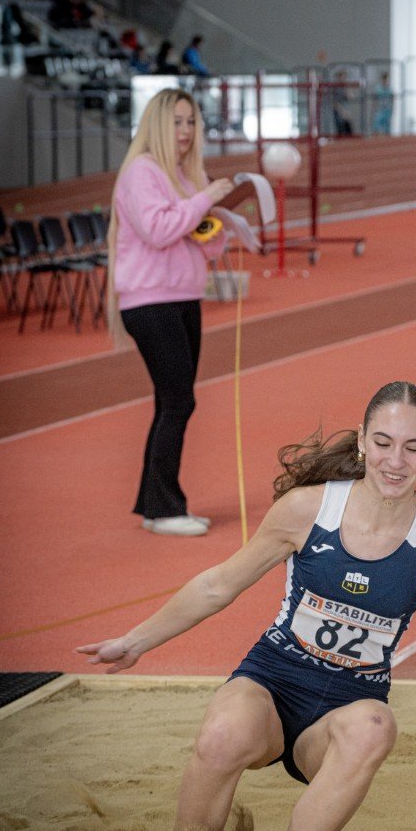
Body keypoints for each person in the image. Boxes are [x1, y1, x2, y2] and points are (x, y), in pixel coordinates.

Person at [76, 381, 416, 831]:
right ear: (362, 440)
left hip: (345, 708)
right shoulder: (307, 509)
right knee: (222, 736)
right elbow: (220, 585)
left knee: (376, 730)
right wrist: (135, 642)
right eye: (383, 443)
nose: (395, 461)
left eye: (413, 448)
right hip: (273, 682)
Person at [107, 88, 234, 536]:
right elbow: (160, 229)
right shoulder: (142, 173)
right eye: (177, 122)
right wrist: (204, 199)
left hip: (183, 298)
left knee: (171, 401)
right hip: (149, 301)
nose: (185, 131)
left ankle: (156, 503)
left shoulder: (183, 175)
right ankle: (163, 508)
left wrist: (219, 223)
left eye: (192, 122)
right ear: (158, 125)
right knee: (180, 399)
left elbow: (202, 236)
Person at [332, 70, 354, 136]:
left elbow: (351, 97)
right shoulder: (334, 87)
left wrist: (347, 88)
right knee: (340, 128)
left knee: (348, 129)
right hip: (338, 109)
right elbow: (334, 102)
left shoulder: (346, 87)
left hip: (346, 108)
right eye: (341, 77)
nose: (343, 79)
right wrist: (341, 110)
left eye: (344, 77)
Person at [371, 70, 394, 135]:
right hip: (379, 110)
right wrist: (373, 110)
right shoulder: (378, 89)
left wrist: (392, 110)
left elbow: (392, 99)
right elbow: (374, 101)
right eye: (386, 80)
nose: (387, 82)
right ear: (383, 80)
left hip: (387, 110)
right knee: (376, 126)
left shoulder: (390, 89)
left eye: (388, 80)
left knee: (387, 128)